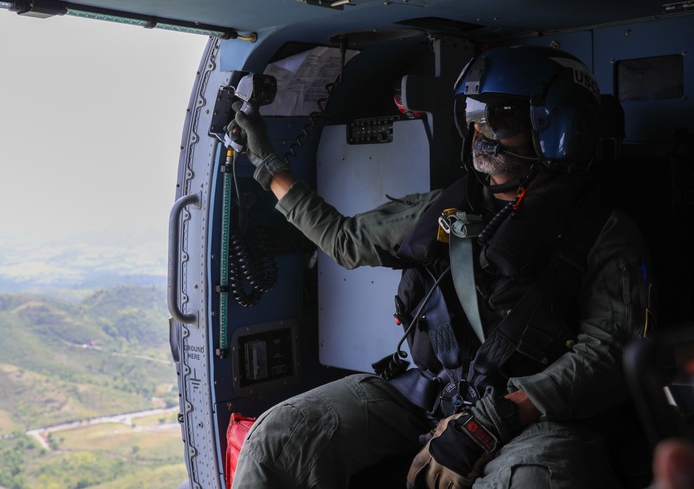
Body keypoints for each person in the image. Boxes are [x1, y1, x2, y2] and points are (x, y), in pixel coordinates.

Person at [228, 45, 652, 488]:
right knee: (279, 438)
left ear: (554, 125)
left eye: (500, 120)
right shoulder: (446, 210)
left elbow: (607, 354)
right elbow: (345, 240)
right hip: (434, 393)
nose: (480, 136)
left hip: (534, 414)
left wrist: (490, 420)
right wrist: (267, 162)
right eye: (473, 119)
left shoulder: (603, 231)